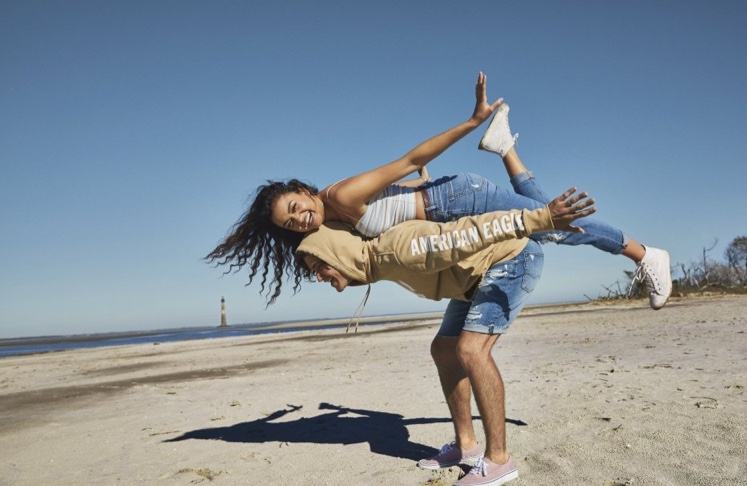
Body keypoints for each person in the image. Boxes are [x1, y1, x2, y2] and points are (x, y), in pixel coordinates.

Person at [205, 73, 672, 309]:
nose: (300, 219)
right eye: (291, 223)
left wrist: (470, 123)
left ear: (304, 191)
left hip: (458, 201)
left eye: (296, 207)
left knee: (551, 226)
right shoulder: (328, 219)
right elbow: (395, 198)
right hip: (442, 204)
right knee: (541, 210)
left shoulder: (340, 197)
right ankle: (506, 147)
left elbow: (411, 158)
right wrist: (415, 189)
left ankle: (644, 254)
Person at [295, 191, 595, 486]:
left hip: (511, 260)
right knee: (442, 349)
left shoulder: (398, 249)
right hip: (472, 278)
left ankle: (500, 460)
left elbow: (468, 232)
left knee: (470, 350)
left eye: (317, 267)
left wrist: (540, 218)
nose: (318, 277)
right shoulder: (375, 260)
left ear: (335, 253)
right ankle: (467, 446)